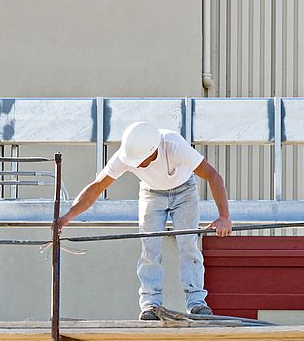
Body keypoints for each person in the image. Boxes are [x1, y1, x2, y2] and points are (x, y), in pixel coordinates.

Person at [56, 121, 232, 320]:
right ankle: (150, 304)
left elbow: (213, 176)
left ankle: (197, 303)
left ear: (153, 150)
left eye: (140, 160)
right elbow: (96, 187)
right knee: (149, 247)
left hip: (185, 191)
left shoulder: (174, 145)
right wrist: (67, 217)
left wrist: (224, 216)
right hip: (151, 193)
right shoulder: (126, 155)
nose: (136, 165)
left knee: (188, 245)